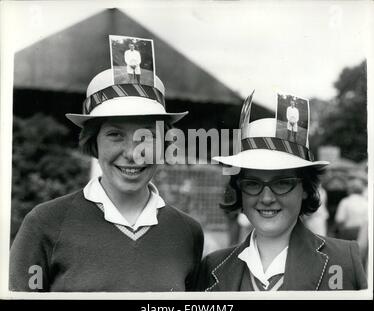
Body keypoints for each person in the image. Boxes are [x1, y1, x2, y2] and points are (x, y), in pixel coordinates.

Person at [10, 68, 204, 292]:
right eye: (115, 135)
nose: (133, 153)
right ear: (94, 141)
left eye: (147, 136)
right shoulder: (45, 223)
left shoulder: (187, 233)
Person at [196, 93, 367, 291]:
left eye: (282, 183)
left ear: (305, 188)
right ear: (239, 188)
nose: (266, 198)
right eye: (253, 184)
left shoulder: (343, 260)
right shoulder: (213, 267)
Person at [335, 172, 368, 241]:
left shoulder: (345, 202)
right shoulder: (366, 202)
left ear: (349, 189)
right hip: (363, 233)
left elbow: (339, 220)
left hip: (348, 233)